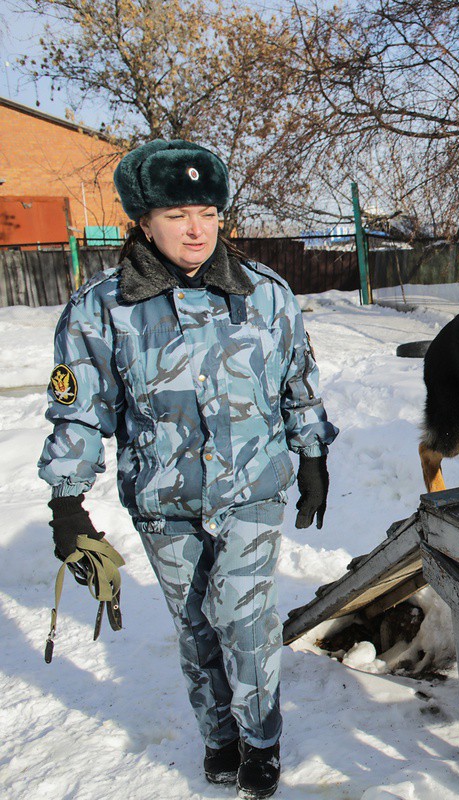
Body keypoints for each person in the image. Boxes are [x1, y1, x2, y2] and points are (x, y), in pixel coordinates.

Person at [38, 139, 338, 799]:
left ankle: (260, 737)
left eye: (206, 209)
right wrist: (67, 501)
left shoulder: (265, 294)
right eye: (176, 215)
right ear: (144, 222)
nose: (196, 227)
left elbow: (299, 383)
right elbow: (81, 412)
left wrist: (312, 452)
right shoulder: (100, 310)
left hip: (250, 490)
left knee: (243, 614)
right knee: (196, 625)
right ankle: (219, 735)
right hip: (162, 500)